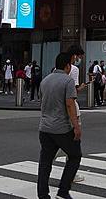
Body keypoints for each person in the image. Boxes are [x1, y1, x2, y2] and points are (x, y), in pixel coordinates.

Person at [37, 52, 82, 199]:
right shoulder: (67, 81)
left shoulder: (45, 80)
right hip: (61, 128)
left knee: (45, 162)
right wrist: (76, 126)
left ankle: (43, 195)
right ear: (67, 65)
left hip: (44, 127)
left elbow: (41, 99)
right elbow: (70, 105)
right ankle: (63, 191)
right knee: (75, 156)